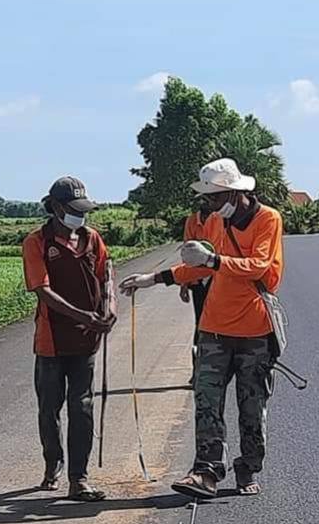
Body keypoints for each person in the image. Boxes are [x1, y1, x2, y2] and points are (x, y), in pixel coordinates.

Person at [121, 158, 284, 498]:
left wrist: (213, 260)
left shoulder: (267, 219)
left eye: (214, 197)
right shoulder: (213, 224)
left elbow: (259, 266)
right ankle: (206, 471)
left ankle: (248, 465)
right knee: (207, 401)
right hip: (213, 329)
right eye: (207, 198)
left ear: (235, 193)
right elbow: (198, 268)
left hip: (255, 330)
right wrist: (155, 278)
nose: (209, 204)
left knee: (252, 407)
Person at [22, 176, 117, 502]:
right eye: (75, 210)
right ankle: (53, 463)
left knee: (83, 407)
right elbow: (42, 290)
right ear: (58, 208)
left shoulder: (92, 239)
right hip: (52, 340)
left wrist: (109, 305)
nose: (81, 216)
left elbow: (106, 275)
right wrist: (83, 316)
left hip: (87, 340)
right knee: (50, 407)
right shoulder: (37, 242)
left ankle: (80, 478)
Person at [179, 196, 215, 387]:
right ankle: (198, 372)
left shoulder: (222, 219)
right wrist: (184, 283)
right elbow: (187, 252)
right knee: (200, 325)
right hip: (198, 280)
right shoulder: (193, 221)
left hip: (218, 278)